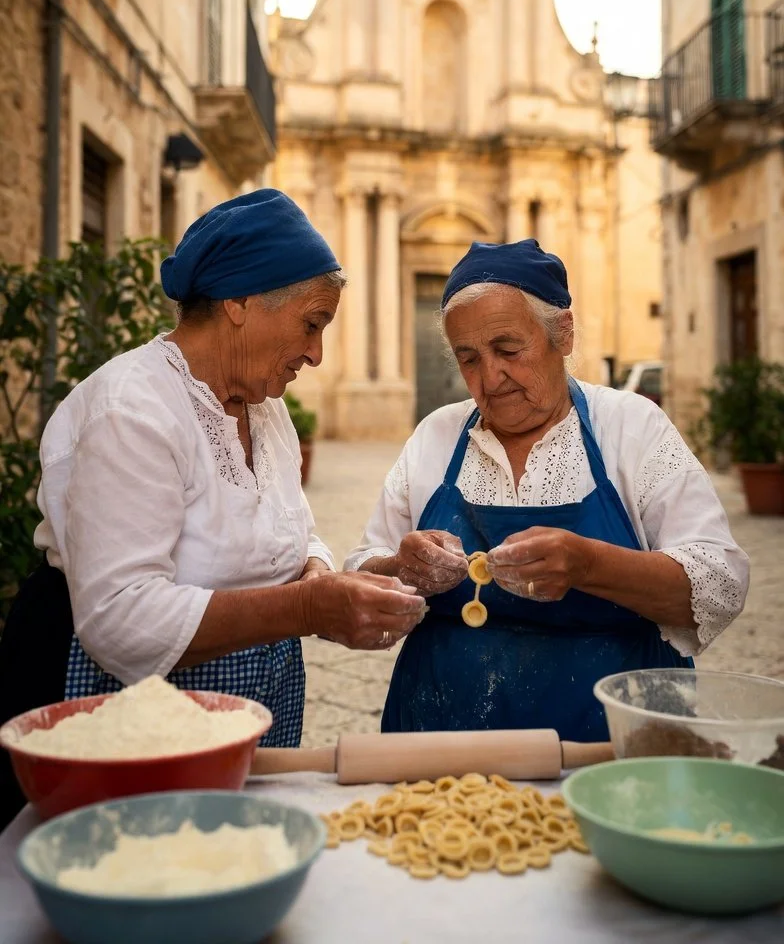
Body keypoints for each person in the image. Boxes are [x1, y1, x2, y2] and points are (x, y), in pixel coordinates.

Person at [0, 190, 423, 827]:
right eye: (312, 324)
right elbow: (120, 620)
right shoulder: (131, 410)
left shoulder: (265, 407)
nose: (316, 354)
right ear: (240, 303)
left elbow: (296, 531)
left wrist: (320, 573)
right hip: (133, 704)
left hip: (251, 701)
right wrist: (308, 607)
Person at [346, 240, 750, 739]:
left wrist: (588, 565)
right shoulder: (437, 435)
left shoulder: (631, 427)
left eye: (508, 350)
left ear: (564, 334)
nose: (490, 377)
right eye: (468, 359)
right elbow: (365, 565)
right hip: (446, 728)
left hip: (612, 731)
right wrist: (400, 569)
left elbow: (719, 584)